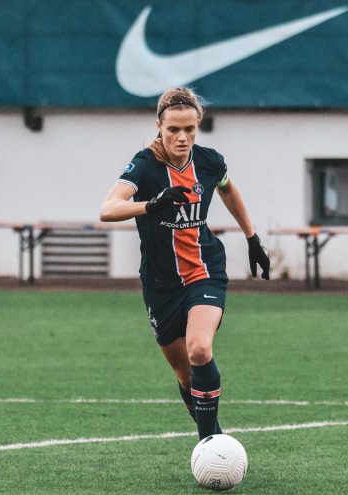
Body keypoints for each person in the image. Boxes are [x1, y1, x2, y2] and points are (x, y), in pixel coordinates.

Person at [99, 87, 270, 439]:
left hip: (204, 271)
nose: (181, 137)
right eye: (173, 129)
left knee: (199, 348)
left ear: (199, 126)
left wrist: (252, 238)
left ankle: (209, 444)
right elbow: (107, 209)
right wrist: (151, 204)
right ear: (159, 125)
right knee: (185, 374)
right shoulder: (145, 165)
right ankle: (216, 438)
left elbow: (227, 188)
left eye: (189, 129)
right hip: (160, 284)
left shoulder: (209, 161)